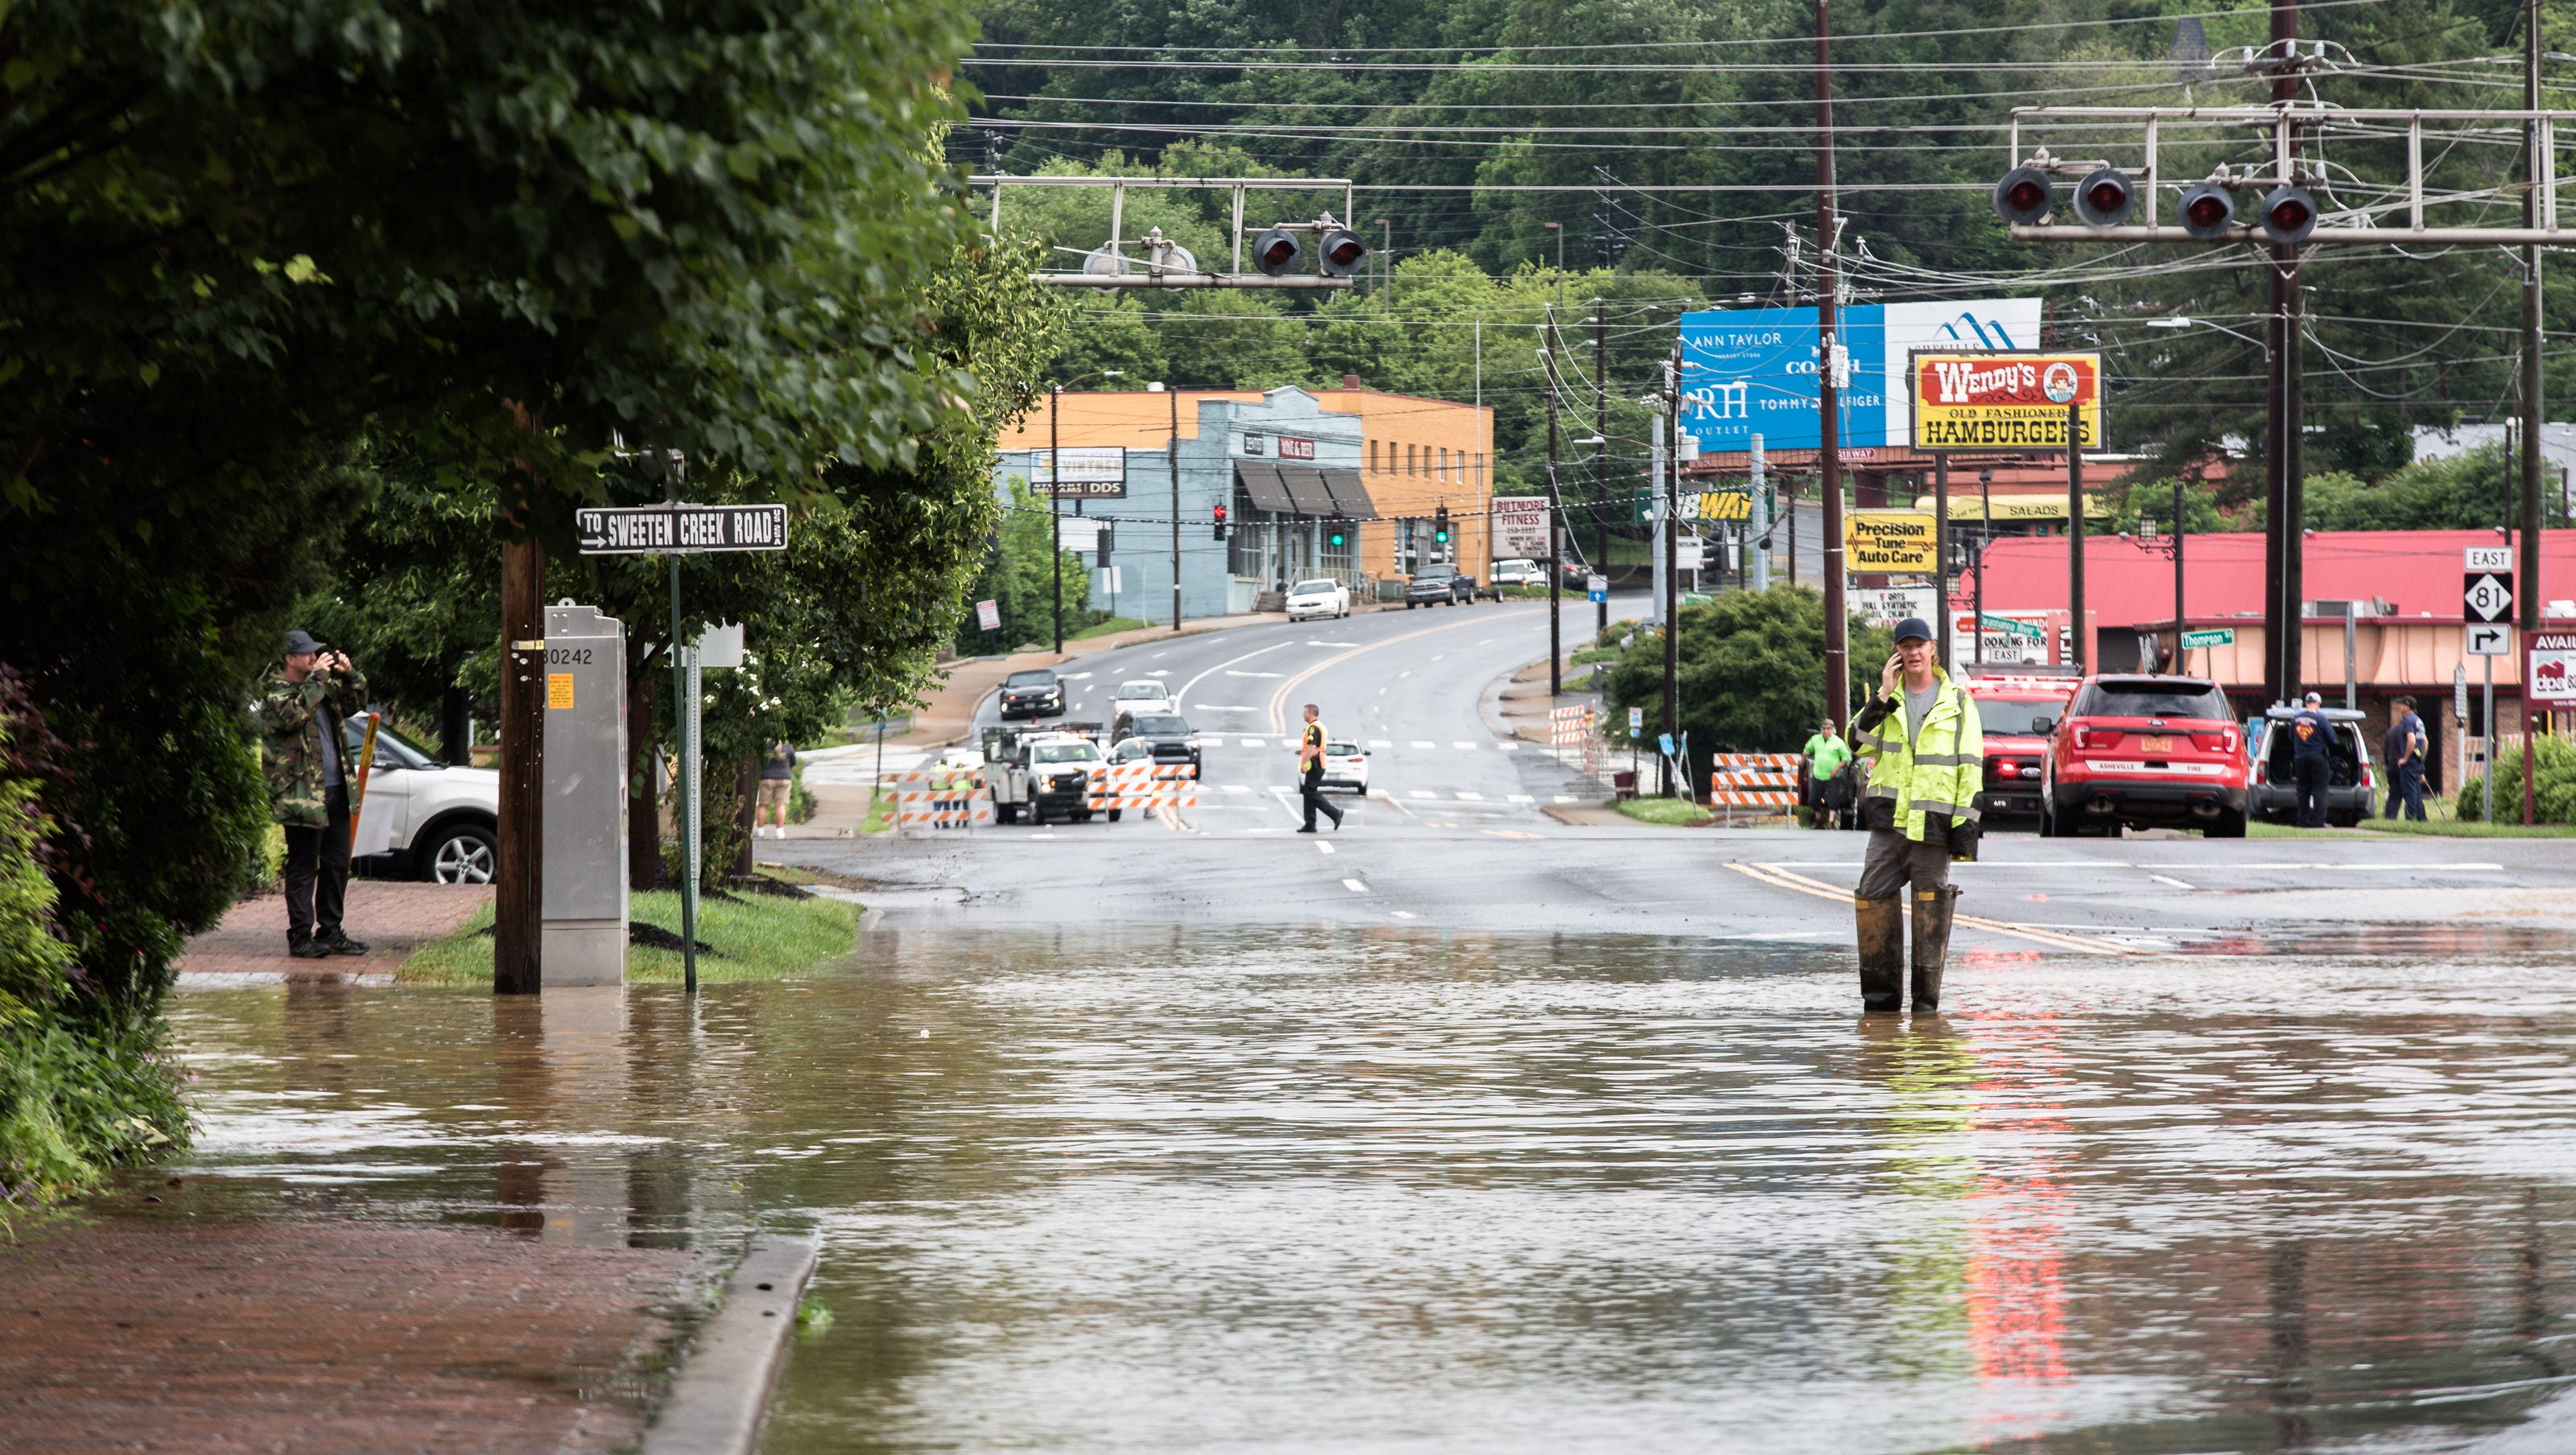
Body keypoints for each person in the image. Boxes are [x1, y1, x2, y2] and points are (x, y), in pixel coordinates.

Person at [1847, 618, 1983, 1013]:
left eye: (1918, 645)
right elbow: (1855, 746)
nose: (1912, 653)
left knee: (1931, 911)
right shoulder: (1889, 700)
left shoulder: (1958, 702)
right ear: (1897, 653)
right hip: (1889, 826)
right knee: (1871, 899)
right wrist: (1882, 696)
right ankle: (1880, 1004)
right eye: (1904, 647)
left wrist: (1964, 829)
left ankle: (1926, 1008)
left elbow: (1970, 767)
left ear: (1932, 647)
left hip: (1933, 827)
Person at [258, 630, 370, 959]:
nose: (313, 657)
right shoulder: (275, 691)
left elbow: (356, 702)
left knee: (337, 863)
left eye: (315, 653)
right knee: (304, 865)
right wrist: (319, 677)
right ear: (289, 658)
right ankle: (300, 937)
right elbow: (291, 716)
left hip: (335, 789)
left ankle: (331, 931)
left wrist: (349, 673)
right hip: (301, 795)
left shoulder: (321, 686)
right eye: (307, 654)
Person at [1295, 703, 1344, 834]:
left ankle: (1335, 813)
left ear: (1311, 713)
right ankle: (1310, 824)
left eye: (1305, 712)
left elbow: (1312, 747)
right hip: (1317, 764)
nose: (1303, 714)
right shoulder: (1319, 726)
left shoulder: (1313, 728)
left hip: (1315, 764)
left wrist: (1304, 763)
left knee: (1310, 792)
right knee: (1308, 792)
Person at [2290, 690, 2333, 829]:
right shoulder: (2321, 719)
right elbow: (2332, 738)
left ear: (2306, 703)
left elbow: (2291, 737)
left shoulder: (2295, 719)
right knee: (2320, 790)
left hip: (2300, 759)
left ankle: (2302, 821)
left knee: (2303, 790)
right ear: (2318, 704)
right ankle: (2318, 822)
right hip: (2318, 758)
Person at [2383, 695, 2428, 822]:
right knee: (2417, 792)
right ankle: (2421, 818)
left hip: (2409, 764)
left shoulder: (2408, 721)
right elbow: (2425, 742)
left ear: (2407, 706)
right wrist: (2421, 760)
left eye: (2402, 704)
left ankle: (2410, 818)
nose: (2399, 707)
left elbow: (2412, 741)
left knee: (2410, 793)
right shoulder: (2418, 721)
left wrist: (2405, 758)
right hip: (2417, 763)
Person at [1802, 718, 1852, 830]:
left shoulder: (1838, 742)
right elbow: (1806, 750)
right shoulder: (1815, 739)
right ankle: (1818, 817)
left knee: (1833, 799)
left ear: (1833, 730)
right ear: (1821, 730)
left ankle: (1831, 822)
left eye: (1828, 729)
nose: (1826, 731)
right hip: (1818, 774)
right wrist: (1803, 760)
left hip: (1832, 776)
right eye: (1823, 729)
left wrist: (1837, 769)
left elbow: (1846, 758)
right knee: (1813, 799)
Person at [757, 739, 796, 838]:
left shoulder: (765, 747)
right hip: (784, 778)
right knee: (780, 805)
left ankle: (760, 831)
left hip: (766, 778)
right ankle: (779, 831)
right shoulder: (788, 747)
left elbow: (759, 762)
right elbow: (793, 764)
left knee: (763, 805)